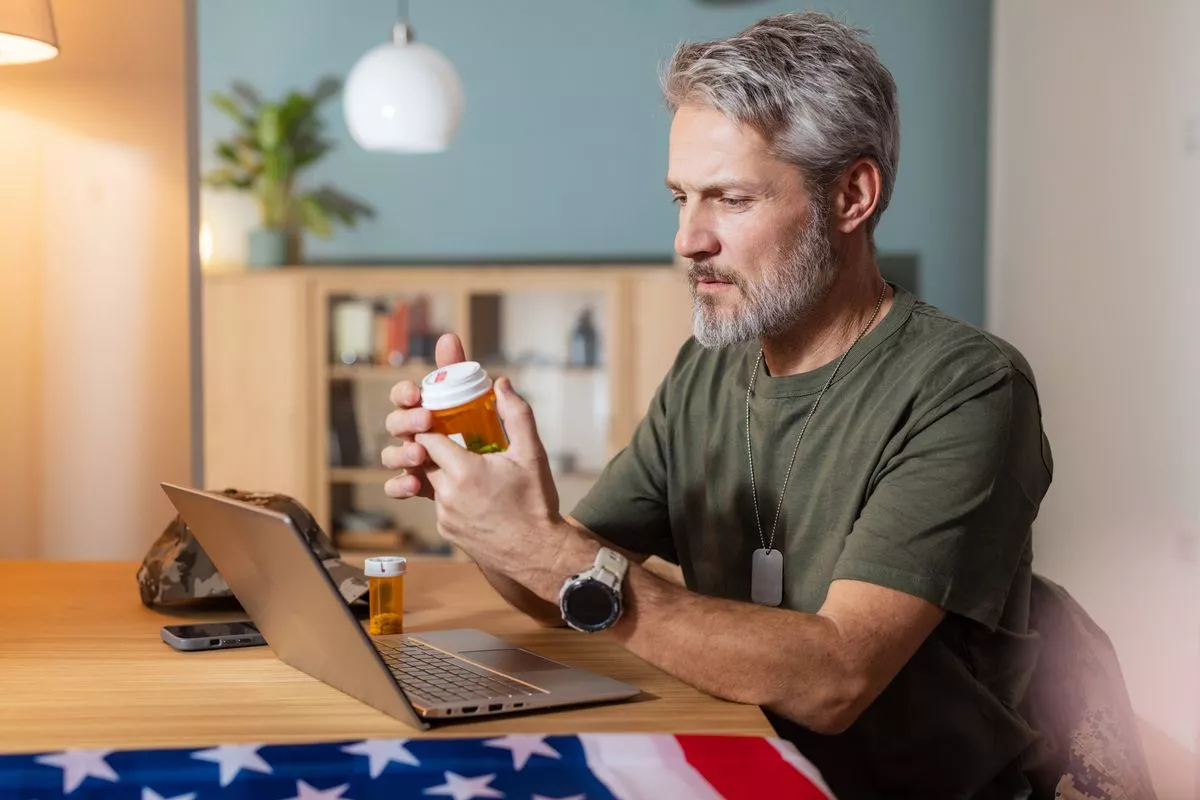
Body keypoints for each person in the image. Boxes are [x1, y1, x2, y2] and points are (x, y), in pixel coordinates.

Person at [381, 11, 1053, 799]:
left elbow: (838, 679)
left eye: (729, 199)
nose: (686, 239)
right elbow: (551, 591)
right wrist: (482, 490)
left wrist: (546, 550)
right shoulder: (707, 368)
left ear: (852, 196)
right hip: (739, 764)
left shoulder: (967, 387)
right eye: (679, 198)